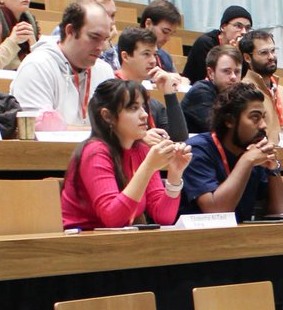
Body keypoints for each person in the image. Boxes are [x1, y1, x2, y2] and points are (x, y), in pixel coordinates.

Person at [61, 79, 192, 230]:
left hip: (119, 242)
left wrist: (175, 175)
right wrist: (148, 167)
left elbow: (163, 217)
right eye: (133, 108)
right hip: (83, 244)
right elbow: (112, 218)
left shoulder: (141, 149)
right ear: (107, 116)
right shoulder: (95, 152)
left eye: (143, 107)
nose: (144, 115)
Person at [181, 82, 283, 221]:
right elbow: (215, 212)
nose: (263, 125)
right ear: (229, 121)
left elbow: (279, 211)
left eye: (263, 117)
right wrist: (246, 161)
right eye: (255, 117)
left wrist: (273, 169)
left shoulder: (253, 153)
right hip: (197, 239)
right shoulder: (197, 150)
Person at [10, 0, 114, 127]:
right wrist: (102, 136)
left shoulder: (105, 70)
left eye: (105, 39)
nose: (101, 47)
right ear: (70, 31)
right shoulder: (37, 66)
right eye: (94, 37)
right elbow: (39, 132)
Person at [114, 27, 188, 143]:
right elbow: (104, 131)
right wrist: (139, 137)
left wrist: (169, 94)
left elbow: (179, 138)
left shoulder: (151, 103)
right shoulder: (109, 92)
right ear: (125, 56)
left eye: (155, 54)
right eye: (146, 54)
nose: (153, 61)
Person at [239, 30, 283, 143]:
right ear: (247, 58)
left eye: (273, 51)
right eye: (264, 53)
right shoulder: (242, 92)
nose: (271, 57)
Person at [181, 45, 243, 134]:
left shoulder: (233, 93)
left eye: (237, 72)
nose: (233, 77)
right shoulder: (201, 91)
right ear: (210, 73)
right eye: (226, 71)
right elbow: (218, 131)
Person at [182, 5, 251, 83]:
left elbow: (242, 78)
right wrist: (233, 53)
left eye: (247, 28)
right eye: (238, 26)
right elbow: (213, 79)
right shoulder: (206, 43)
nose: (244, 32)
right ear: (223, 27)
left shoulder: (243, 48)